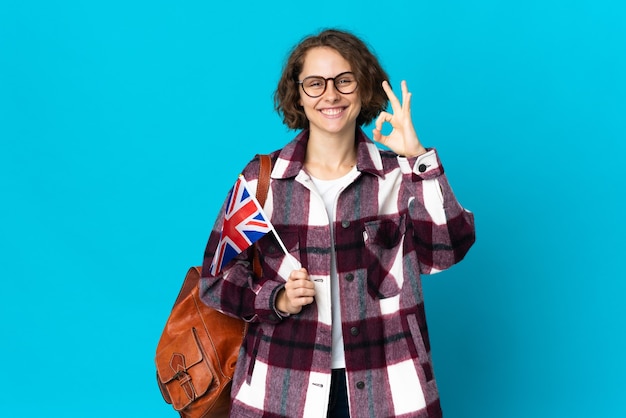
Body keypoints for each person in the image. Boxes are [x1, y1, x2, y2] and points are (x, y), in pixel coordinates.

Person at [199, 28, 475, 418]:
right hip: (281, 389)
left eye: (344, 80)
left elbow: (448, 249)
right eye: (315, 83)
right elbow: (215, 282)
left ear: (363, 88)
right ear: (297, 94)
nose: (330, 94)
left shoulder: (398, 175)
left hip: (389, 388)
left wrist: (416, 156)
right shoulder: (263, 179)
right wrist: (275, 298)